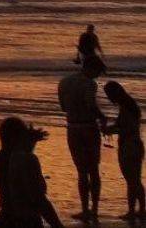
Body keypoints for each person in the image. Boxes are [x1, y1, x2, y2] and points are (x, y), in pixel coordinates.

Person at [0, 116, 65, 228]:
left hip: (4, 220)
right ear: (21, 137)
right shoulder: (27, 159)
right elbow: (39, 199)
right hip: (27, 221)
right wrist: (57, 225)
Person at [59, 54, 107, 221]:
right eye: (98, 72)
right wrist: (102, 117)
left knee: (81, 171)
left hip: (72, 127)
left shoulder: (64, 82)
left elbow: (63, 107)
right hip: (88, 127)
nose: (98, 76)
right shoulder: (89, 84)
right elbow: (90, 105)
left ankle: (85, 208)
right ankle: (94, 209)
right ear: (92, 68)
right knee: (93, 169)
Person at [105, 81, 145, 221]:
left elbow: (127, 128)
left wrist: (110, 129)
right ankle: (141, 210)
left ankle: (132, 211)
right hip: (135, 144)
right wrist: (113, 127)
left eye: (109, 95)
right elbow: (125, 126)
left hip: (129, 146)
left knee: (131, 180)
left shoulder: (126, 107)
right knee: (135, 180)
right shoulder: (129, 105)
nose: (109, 99)